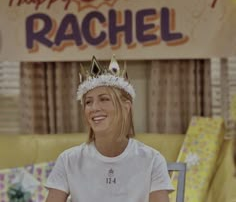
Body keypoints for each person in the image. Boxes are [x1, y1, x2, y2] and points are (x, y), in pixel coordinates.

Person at [45, 55, 174, 202]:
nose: (94, 108)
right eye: (88, 102)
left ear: (126, 107)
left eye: (104, 99)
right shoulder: (68, 160)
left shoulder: (152, 160)